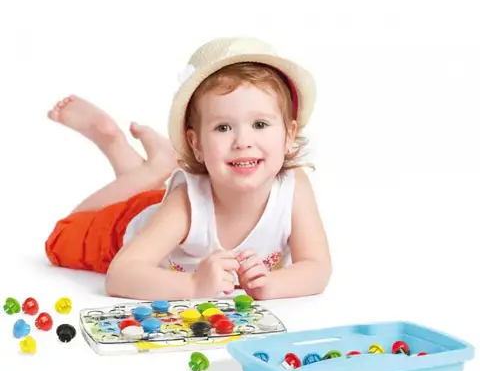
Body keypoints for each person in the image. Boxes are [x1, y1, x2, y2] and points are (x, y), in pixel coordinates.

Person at [45, 36, 332, 301]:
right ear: (196, 144)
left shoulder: (293, 186)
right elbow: (120, 276)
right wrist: (193, 285)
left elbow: (316, 267)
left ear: (289, 135)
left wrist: (272, 285)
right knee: (61, 237)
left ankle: (149, 168)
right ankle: (129, 156)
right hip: (129, 228)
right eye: (223, 127)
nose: (243, 141)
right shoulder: (185, 204)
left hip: (162, 213)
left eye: (260, 124)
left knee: (152, 200)